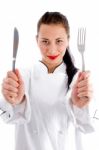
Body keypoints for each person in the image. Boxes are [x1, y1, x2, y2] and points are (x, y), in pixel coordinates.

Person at [0, 11, 94, 150]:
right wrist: (15, 101)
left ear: (68, 40)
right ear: (36, 40)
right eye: (45, 41)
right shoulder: (23, 76)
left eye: (59, 41)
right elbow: (8, 117)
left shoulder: (80, 81)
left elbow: (88, 127)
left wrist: (81, 106)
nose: (52, 49)